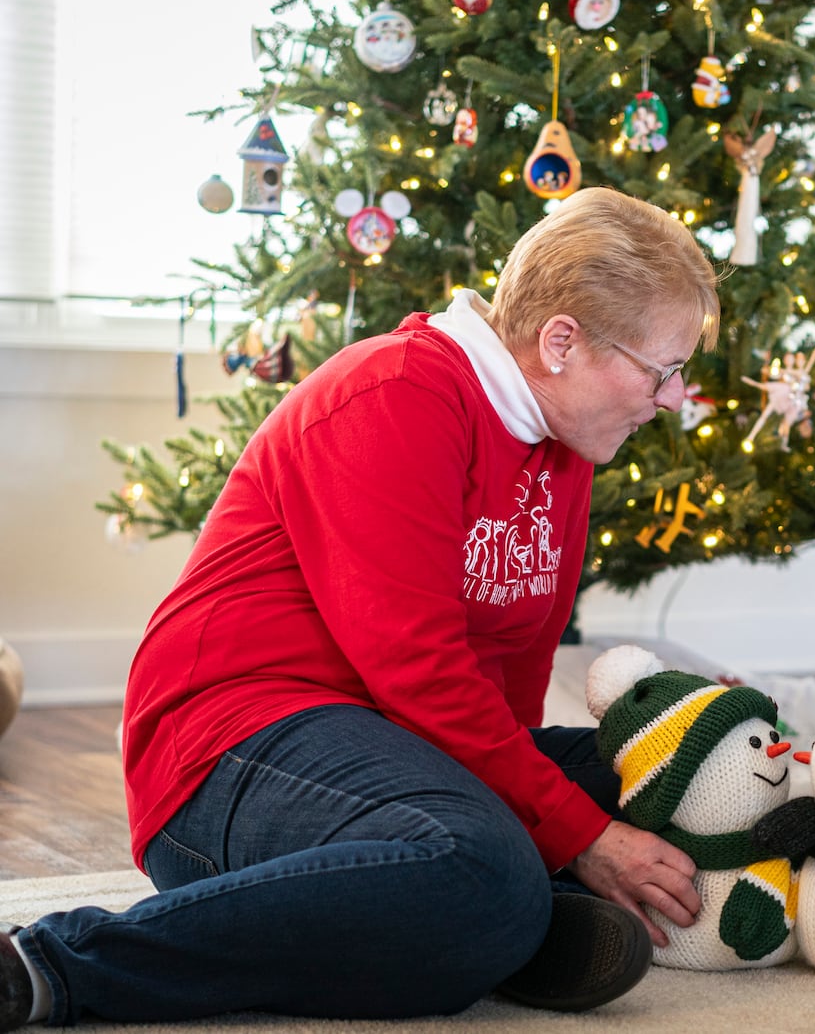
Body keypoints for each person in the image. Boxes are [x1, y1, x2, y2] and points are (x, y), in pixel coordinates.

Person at [0, 187, 721, 1029]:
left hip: (393, 741)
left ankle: (488, 922)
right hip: (232, 746)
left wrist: (545, 809)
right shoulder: (398, 392)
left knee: (688, 754)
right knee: (484, 870)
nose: (673, 397)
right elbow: (419, 669)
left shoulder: (562, 441)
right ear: (561, 340)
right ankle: (50, 963)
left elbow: (513, 673)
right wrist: (579, 838)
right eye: (662, 369)